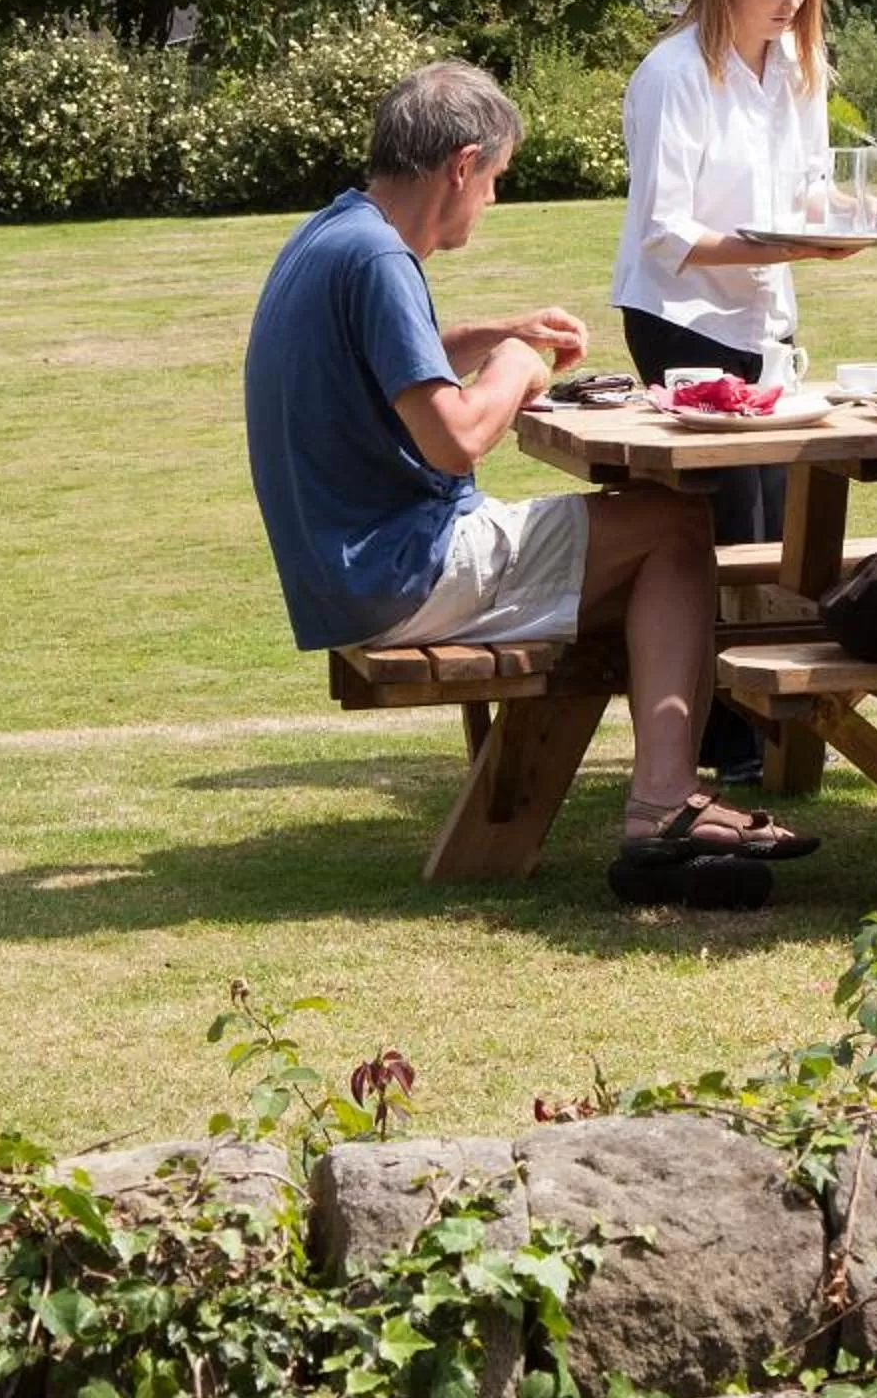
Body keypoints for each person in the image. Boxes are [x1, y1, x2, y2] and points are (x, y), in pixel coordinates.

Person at [244, 59, 818, 908]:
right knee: (672, 527)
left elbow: (392, 356)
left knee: (648, 532)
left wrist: (496, 333)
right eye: (495, 180)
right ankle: (663, 807)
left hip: (348, 568)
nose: (492, 200)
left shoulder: (335, 234)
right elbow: (455, 442)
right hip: (399, 572)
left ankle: (668, 797)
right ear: (462, 165)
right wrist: (512, 367)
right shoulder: (380, 260)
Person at [612, 0, 857, 779]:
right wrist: (790, 245)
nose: (792, 5)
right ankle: (726, 741)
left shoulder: (798, 68)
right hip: (681, 320)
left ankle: (774, 725)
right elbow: (667, 233)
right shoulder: (673, 75)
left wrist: (847, 215)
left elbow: (809, 188)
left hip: (764, 317)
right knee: (721, 529)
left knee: (783, 524)